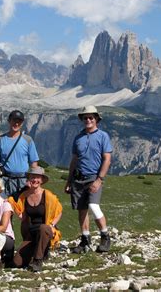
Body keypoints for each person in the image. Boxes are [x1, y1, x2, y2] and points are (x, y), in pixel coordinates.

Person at [64, 105, 113, 254]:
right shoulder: (78, 137)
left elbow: (107, 159)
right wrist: (69, 180)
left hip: (93, 178)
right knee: (81, 209)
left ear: (96, 119)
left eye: (91, 117)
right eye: (85, 118)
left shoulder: (103, 136)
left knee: (93, 205)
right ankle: (85, 240)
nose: (88, 120)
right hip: (78, 178)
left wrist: (99, 179)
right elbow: (74, 159)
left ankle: (105, 236)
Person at [9, 167, 62, 272]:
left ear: (42, 180)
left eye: (38, 178)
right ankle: (38, 251)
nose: (35, 180)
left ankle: (38, 260)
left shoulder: (48, 195)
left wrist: (52, 225)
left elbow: (59, 211)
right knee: (16, 263)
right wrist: (19, 214)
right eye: (32, 177)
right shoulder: (24, 196)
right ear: (28, 179)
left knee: (43, 228)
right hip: (31, 235)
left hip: (45, 232)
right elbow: (11, 200)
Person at [0, 110, 39, 199]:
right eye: (14, 121)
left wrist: (32, 180)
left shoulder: (28, 140)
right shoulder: (0, 140)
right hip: (4, 181)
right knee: (3, 209)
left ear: (22, 123)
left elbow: (34, 163)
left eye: (19, 121)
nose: (16, 124)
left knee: (22, 210)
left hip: (23, 181)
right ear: (9, 121)